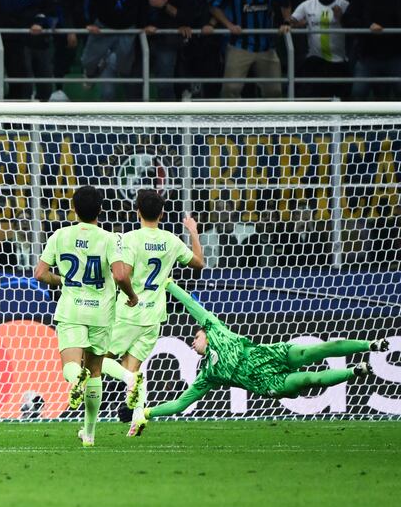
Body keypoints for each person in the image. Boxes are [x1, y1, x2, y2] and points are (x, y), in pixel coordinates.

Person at [129, 279, 389, 434]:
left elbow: (190, 304)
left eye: (194, 337)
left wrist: (168, 284)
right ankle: (354, 371)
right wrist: (146, 413)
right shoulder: (208, 374)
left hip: (271, 354)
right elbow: (180, 405)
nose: (192, 342)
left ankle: (372, 344)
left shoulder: (215, 328)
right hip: (267, 384)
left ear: (204, 334)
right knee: (311, 379)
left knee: (317, 350)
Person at [33, 185, 137, 448]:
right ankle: (89, 434)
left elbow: (40, 274)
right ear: (100, 210)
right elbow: (121, 274)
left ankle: (73, 377)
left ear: (74, 209)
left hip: (71, 310)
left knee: (70, 364)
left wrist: (60, 280)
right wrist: (131, 296)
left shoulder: (60, 235)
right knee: (95, 372)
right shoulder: (110, 239)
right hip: (101, 313)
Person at [99, 189, 204, 433]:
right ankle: (138, 419)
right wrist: (193, 232)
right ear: (162, 213)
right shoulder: (171, 240)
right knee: (131, 366)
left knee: (96, 359)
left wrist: (130, 295)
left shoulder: (130, 239)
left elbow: (121, 275)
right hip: (154, 317)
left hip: (129, 312)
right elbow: (198, 263)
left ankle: (131, 386)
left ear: (137, 211)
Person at [208, 0, 292, 99]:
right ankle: (230, 116)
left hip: (266, 47)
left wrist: (286, 22)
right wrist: (229, 25)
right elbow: (213, 6)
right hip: (239, 45)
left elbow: (286, 3)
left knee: (274, 91)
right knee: (230, 90)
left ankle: (271, 116)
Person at [290, 0, 351, 99]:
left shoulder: (343, 4)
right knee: (315, 97)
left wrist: (342, 18)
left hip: (339, 61)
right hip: (316, 60)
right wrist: (292, 24)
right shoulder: (307, 5)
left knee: (342, 100)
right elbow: (292, 20)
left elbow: (354, 24)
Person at [341, 0, 401, 101]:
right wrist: (368, 25)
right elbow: (347, 19)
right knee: (358, 92)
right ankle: (358, 118)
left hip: (395, 55)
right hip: (367, 55)